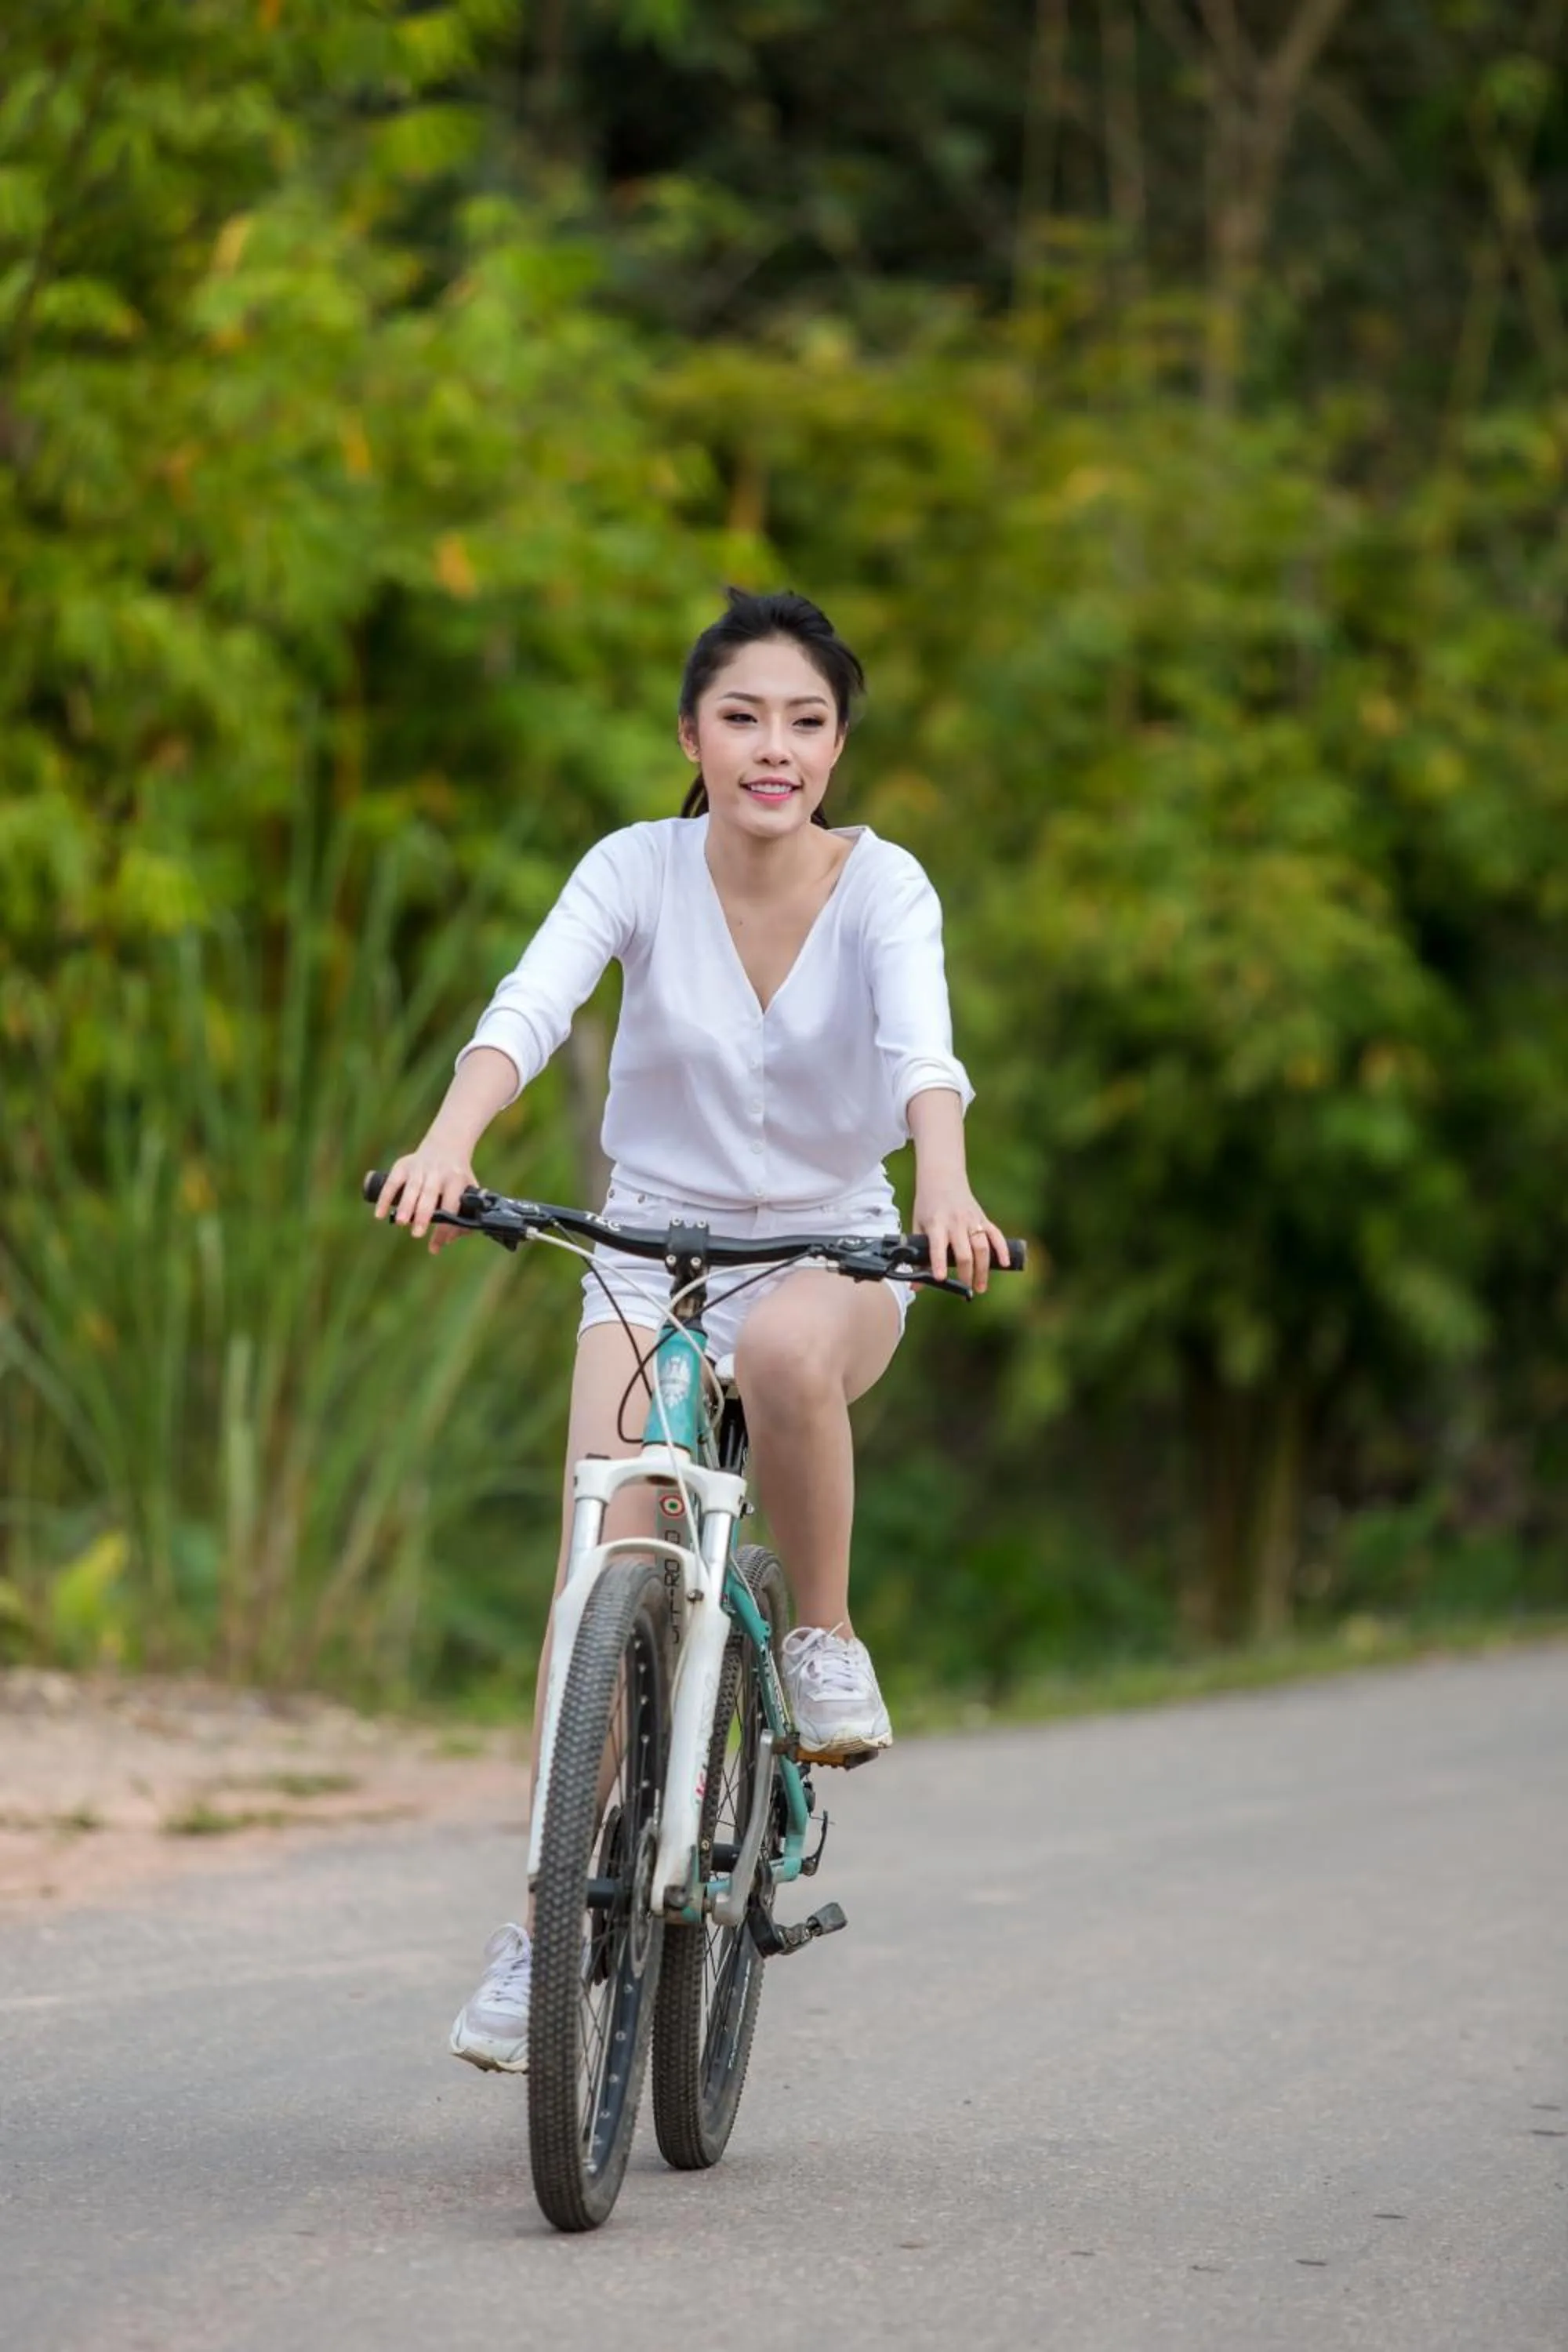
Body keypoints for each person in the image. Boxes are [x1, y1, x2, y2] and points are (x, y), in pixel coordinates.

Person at [376, 588, 1007, 2072]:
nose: (772, 749)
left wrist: (950, 1194)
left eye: (805, 722)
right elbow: (528, 1005)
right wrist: (448, 1139)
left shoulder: (886, 888)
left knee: (789, 1358)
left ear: (839, 746)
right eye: (742, 718)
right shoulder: (634, 869)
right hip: (649, 1250)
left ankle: (828, 1637)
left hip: (836, 1247)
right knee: (601, 1553)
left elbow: (925, 1053)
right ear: (692, 736)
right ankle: (543, 1935)